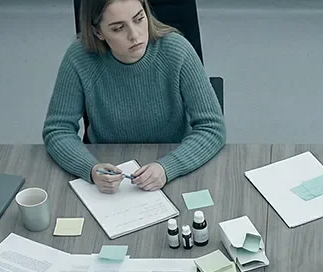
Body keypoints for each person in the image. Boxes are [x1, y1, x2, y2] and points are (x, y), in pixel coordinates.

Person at [42, 0, 225, 193]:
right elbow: (57, 130)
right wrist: (90, 168)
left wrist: (167, 168)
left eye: (139, 19)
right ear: (98, 32)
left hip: (175, 161)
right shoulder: (79, 58)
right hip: (110, 166)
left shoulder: (177, 50)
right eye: (118, 28)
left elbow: (212, 127)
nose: (135, 35)